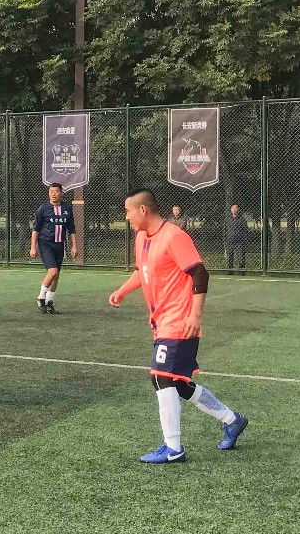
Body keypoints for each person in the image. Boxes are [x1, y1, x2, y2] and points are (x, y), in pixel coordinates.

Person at [109, 189, 249, 464]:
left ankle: (173, 448)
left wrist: (195, 316)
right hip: (161, 323)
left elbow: (200, 273)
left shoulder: (174, 236)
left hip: (180, 323)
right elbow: (142, 270)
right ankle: (232, 420)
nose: (126, 217)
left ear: (143, 210)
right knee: (178, 384)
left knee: (160, 377)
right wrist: (122, 291)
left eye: (128, 211)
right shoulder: (141, 238)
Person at [30, 183, 78, 314]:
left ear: (61, 193)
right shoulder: (43, 208)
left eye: (56, 191)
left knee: (56, 276)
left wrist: (74, 246)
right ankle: (41, 298)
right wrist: (33, 247)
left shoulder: (67, 208)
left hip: (59, 245)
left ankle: (49, 302)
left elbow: (71, 229)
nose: (53, 194)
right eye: (51, 191)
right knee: (52, 272)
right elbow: (35, 229)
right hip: (45, 243)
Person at [225, 204, 249, 275]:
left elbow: (245, 230)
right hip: (230, 242)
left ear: (238, 210)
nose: (234, 210)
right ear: (231, 210)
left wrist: (243, 239)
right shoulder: (228, 219)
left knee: (241, 258)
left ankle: (241, 272)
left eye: (235, 208)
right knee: (230, 257)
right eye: (232, 208)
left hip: (240, 242)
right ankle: (230, 271)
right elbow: (224, 230)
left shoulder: (242, 219)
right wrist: (225, 239)